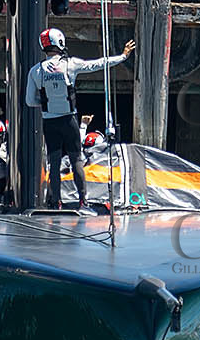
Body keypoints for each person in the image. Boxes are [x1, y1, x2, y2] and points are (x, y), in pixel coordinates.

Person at [24, 29, 135, 210]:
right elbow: (98, 64)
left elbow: (30, 101)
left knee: (54, 161)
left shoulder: (35, 71)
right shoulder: (71, 64)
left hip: (49, 122)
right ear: (60, 43)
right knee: (76, 159)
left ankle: (55, 202)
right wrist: (122, 56)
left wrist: (46, 103)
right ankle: (83, 200)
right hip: (69, 121)